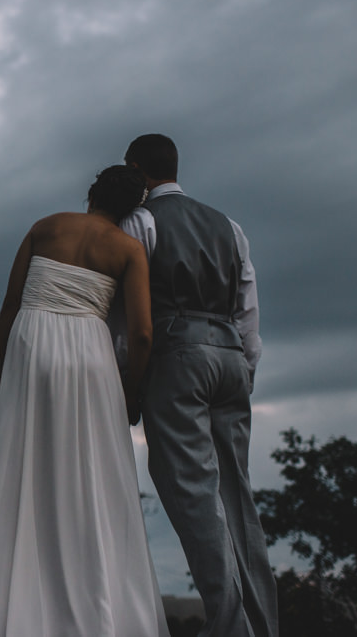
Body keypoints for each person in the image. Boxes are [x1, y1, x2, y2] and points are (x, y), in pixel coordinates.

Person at [0, 165, 170, 637]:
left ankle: (23, 605)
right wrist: (131, 392)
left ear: (92, 193)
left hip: (32, 346)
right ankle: (98, 605)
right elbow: (142, 333)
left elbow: (10, 303)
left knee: (28, 470)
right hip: (89, 354)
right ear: (133, 209)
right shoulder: (129, 249)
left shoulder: (45, 227)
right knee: (92, 473)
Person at [118, 134, 278, 637]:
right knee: (237, 493)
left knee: (192, 492)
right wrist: (244, 368)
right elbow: (247, 308)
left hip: (177, 355)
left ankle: (231, 629)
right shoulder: (229, 226)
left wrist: (127, 382)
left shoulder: (140, 222)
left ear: (136, 171)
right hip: (231, 357)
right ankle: (261, 624)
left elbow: (129, 315)